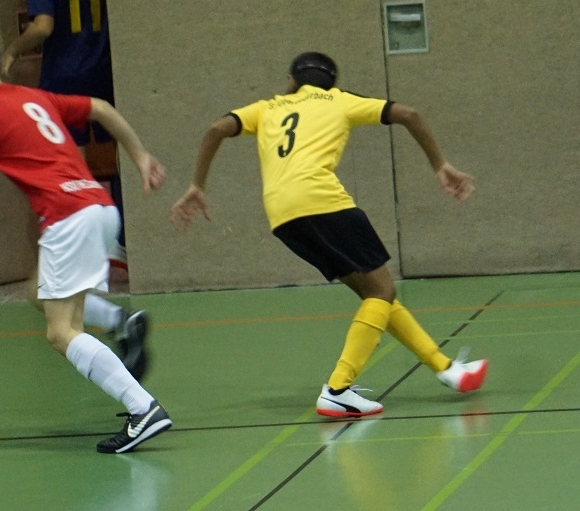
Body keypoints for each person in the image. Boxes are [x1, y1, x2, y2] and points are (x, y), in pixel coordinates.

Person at [0, 17, 171, 453]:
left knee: (61, 332)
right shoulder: (31, 96)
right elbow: (100, 108)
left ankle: (143, 409)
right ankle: (121, 323)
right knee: (38, 291)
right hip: (98, 207)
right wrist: (139, 156)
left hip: (68, 216)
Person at [171, 52, 488, 417]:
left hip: (283, 216)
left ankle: (445, 369)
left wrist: (197, 184)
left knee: (375, 294)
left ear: (292, 80)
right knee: (382, 291)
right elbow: (410, 114)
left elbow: (216, 129)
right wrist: (440, 164)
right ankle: (338, 388)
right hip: (322, 201)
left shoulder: (266, 108)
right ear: (331, 83)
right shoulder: (339, 100)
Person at [1, 0, 130, 273]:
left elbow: (43, 27)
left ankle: (82, 246)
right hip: (107, 69)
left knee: (68, 162)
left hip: (63, 75)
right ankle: (122, 238)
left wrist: (12, 51)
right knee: (119, 154)